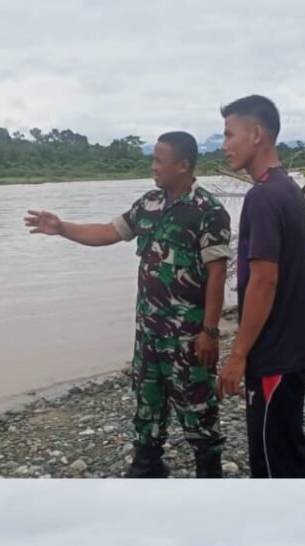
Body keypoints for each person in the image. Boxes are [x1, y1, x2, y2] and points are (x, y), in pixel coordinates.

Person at [25, 132, 231, 478]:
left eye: (158, 160)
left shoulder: (208, 211)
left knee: (197, 406)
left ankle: (209, 472)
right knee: (148, 402)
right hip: (149, 332)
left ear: (182, 165)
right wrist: (61, 228)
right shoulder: (148, 204)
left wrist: (210, 331)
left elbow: (217, 274)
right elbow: (108, 232)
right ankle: (147, 465)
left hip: (188, 337)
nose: (152, 167)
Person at [217, 94, 305, 478]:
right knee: (289, 450)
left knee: (273, 463)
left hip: (274, 355)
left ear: (256, 134)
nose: (225, 146)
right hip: (292, 349)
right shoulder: (287, 189)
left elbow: (264, 280)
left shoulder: (262, 197)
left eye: (229, 135)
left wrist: (238, 355)